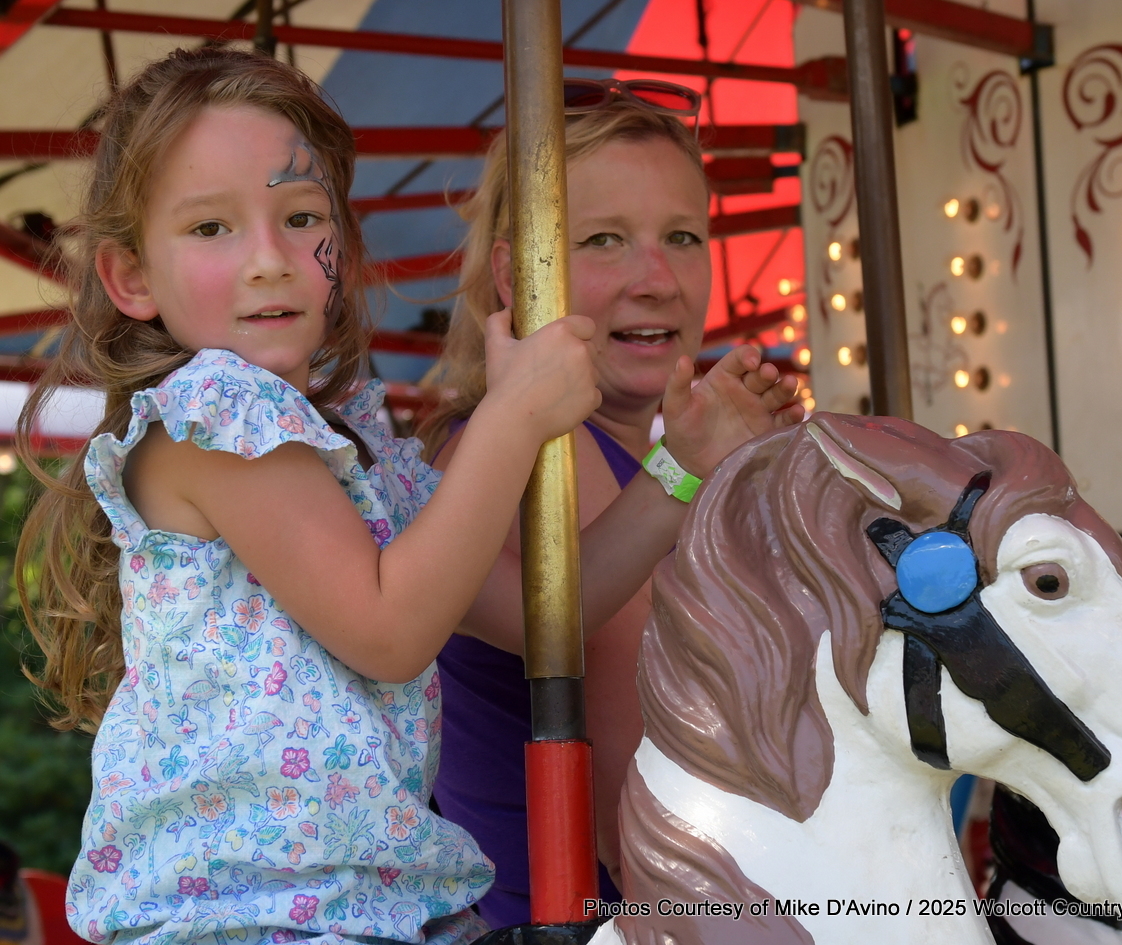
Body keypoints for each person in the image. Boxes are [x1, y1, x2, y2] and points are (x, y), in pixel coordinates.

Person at [16, 51, 795, 945]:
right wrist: (511, 418)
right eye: (211, 228)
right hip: (246, 914)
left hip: (367, 906)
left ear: (340, 248)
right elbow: (389, 634)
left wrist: (679, 468)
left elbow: (545, 614)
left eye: (300, 218)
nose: (269, 260)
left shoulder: (346, 445)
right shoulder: (213, 422)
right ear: (131, 277)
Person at [422, 83, 804, 928]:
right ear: (516, 273)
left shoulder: (634, 458)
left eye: (683, 237)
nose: (658, 279)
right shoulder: (542, 455)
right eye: (604, 240)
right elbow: (650, 801)